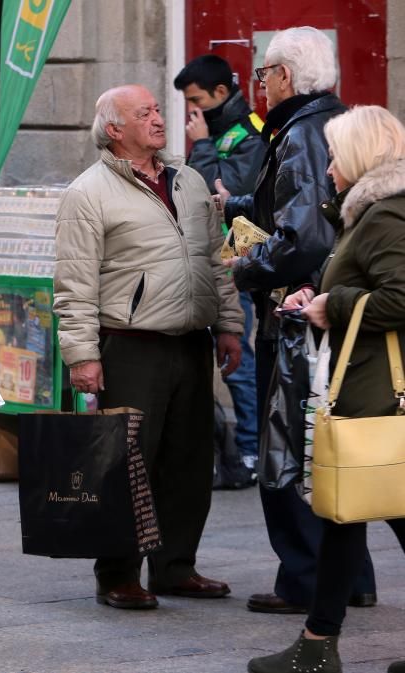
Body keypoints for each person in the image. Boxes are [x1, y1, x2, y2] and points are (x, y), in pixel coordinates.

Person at [54, 84, 244, 610]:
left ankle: (176, 566)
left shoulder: (188, 181)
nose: (160, 119)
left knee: (187, 461)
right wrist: (82, 356)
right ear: (115, 130)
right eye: (146, 113)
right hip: (130, 346)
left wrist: (229, 323)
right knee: (126, 463)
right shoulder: (87, 192)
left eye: (158, 109)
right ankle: (117, 572)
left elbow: (215, 260)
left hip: (190, 343)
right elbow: (73, 284)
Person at [216, 26, 378, 615]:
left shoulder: (302, 131)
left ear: (284, 76)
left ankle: (309, 580)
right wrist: (236, 207)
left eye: (263, 73)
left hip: (297, 317)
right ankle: (347, 579)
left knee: (291, 451)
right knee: (320, 448)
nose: (259, 85)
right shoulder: (319, 124)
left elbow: (303, 234)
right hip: (317, 312)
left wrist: (243, 268)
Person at [248, 106, 405, 673]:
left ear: (361, 158)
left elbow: (400, 297)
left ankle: (316, 648)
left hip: (377, 396)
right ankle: (317, 646)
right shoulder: (363, 216)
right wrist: (313, 293)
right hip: (363, 391)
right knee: (343, 518)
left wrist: (330, 306)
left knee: (349, 515)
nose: (330, 165)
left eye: (337, 154)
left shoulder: (385, 217)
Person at [174, 55, 267, 482]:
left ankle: (251, 451)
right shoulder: (218, 130)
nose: (192, 112)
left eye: (197, 101)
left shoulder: (248, 134)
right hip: (212, 256)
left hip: (239, 258)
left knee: (237, 358)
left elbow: (221, 193)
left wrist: (202, 145)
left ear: (220, 94)